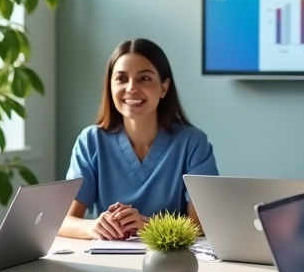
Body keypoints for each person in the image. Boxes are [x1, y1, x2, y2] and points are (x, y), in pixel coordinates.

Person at [58, 38, 218, 240]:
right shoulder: (91, 141)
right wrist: (93, 227)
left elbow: (201, 226)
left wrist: (148, 226)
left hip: (170, 261)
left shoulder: (193, 143)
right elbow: (63, 220)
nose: (131, 87)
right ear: (110, 86)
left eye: (144, 78)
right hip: (107, 261)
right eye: (121, 79)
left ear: (164, 88)